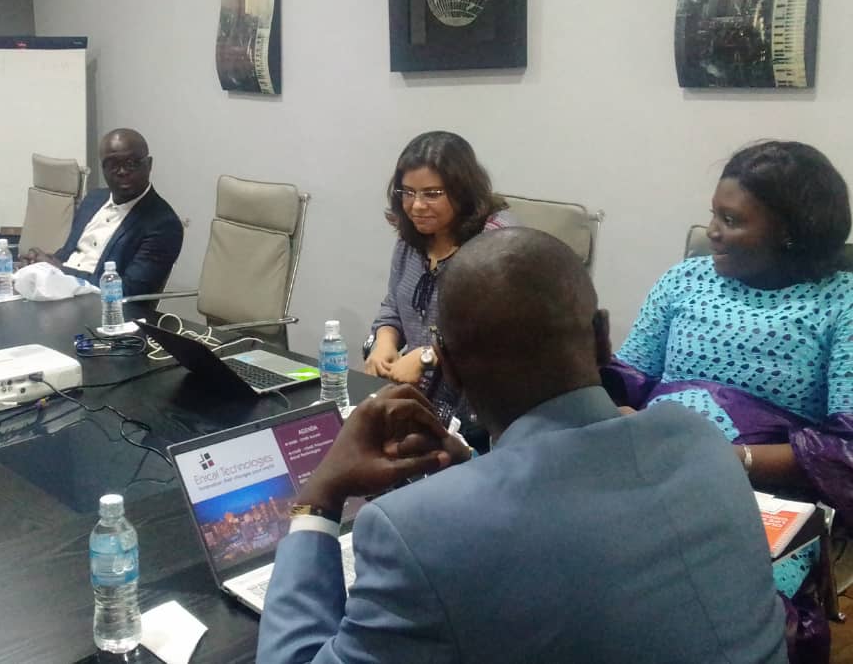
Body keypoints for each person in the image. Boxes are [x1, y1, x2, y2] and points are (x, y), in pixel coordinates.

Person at [258, 228, 786, 664]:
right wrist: (472, 468)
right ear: (603, 338)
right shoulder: (701, 442)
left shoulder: (413, 534)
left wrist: (319, 497)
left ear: (448, 366)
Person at [606, 140, 853, 662]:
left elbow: (845, 449)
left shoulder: (841, 304)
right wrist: (602, 392)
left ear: (789, 231)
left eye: (732, 220)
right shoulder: (683, 280)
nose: (713, 231)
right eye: (713, 215)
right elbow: (628, 381)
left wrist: (731, 459)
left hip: (761, 498)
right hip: (649, 472)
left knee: (715, 618)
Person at [364, 131, 512, 443]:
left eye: (432, 194)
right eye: (408, 192)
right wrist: (384, 341)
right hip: (422, 408)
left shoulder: (496, 245)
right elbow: (393, 305)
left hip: (483, 420)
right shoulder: (411, 239)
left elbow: (498, 335)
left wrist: (428, 356)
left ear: (463, 191)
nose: (416, 206)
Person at [22, 128, 183, 296]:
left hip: (100, 306)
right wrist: (40, 263)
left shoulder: (163, 224)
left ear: (149, 165)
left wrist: (60, 271)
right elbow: (67, 255)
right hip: (58, 293)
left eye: (131, 164)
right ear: (103, 168)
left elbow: (129, 290)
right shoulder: (93, 199)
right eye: (113, 165)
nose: (122, 171)